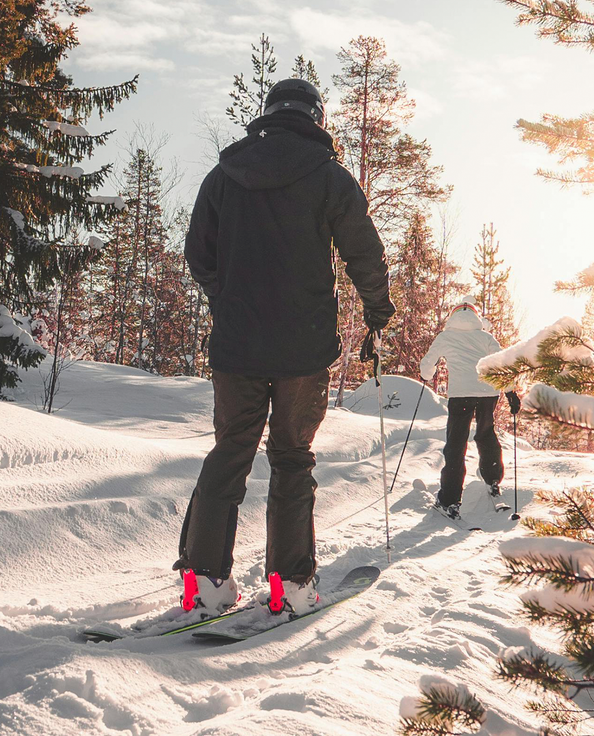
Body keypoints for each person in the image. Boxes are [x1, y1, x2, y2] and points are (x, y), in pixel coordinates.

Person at [178, 77, 394, 618]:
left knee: (231, 451)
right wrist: (377, 313)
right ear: (316, 119)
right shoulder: (329, 177)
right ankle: (291, 585)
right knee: (292, 458)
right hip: (303, 349)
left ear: (269, 113)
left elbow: (198, 255)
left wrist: (227, 299)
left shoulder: (224, 176)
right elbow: (364, 253)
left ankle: (203, 581)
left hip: (237, 346)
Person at [419, 299, 520, 519]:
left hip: (460, 395)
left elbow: (427, 366)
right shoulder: (485, 337)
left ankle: (449, 499)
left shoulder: (445, 336)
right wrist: (511, 392)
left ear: (452, 316)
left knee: (456, 443)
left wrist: (426, 374)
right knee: (486, 434)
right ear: (475, 317)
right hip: (487, 393)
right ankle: (493, 480)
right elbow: (503, 364)